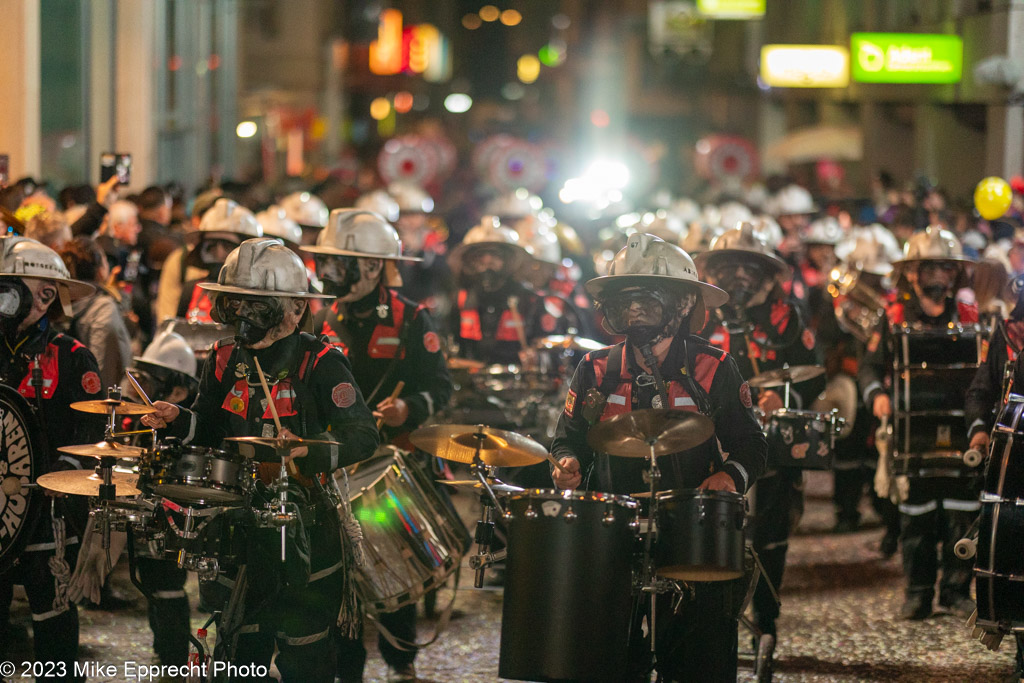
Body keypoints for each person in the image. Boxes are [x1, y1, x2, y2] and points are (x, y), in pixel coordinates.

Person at [142, 237, 379, 682]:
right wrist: (178, 419)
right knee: (238, 656)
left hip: (305, 530)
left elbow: (363, 434)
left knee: (303, 659)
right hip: (239, 530)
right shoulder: (224, 357)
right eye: (238, 305)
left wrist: (310, 450)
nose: (245, 318)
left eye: (259, 306)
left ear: (295, 309)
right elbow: (208, 427)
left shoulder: (322, 361)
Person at [551, 233, 767, 682]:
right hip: (612, 528)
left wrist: (731, 476)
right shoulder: (594, 370)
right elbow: (566, 439)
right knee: (609, 654)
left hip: (692, 528)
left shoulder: (714, 367)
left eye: (646, 299)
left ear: (685, 303)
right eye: (625, 301)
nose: (634, 311)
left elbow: (752, 445)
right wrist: (566, 464)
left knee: (696, 654)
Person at [306, 209, 455, 683]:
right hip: (339, 465)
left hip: (393, 463)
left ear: (372, 266)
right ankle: (345, 668)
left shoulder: (414, 318)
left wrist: (407, 409)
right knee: (342, 573)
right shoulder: (321, 316)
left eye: (338, 263)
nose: (326, 273)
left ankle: (401, 661)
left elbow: (442, 388)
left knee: (395, 567)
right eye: (325, 262)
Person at [694, 222, 825, 659]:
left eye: (749, 266)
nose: (738, 275)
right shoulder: (696, 312)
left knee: (769, 534)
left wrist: (782, 395)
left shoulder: (787, 315)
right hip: (706, 441)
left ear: (765, 272)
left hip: (768, 443)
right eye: (729, 265)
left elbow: (812, 373)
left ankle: (765, 621)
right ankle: (708, 616)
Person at [859, 225, 979, 620]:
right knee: (916, 518)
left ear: (955, 274)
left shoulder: (971, 316)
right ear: (911, 273)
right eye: (929, 268)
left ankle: (956, 590)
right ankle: (918, 592)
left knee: (962, 515)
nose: (937, 276)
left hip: (962, 434)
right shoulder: (891, 317)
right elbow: (870, 368)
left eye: (945, 267)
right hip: (913, 436)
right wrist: (877, 395)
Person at [0, 236, 104, 680]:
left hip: (46, 511)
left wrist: (68, 475)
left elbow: (93, 432)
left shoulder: (73, 358)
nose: (36, 302)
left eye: (46, 293)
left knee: (53, 614)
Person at [60, 236, 132, 391]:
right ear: (100, 271)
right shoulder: (103, 309)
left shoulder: (60, 304)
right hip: (99, 403)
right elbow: (103, 372)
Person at [176, 198, 263, 323]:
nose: (218, 253)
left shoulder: (258, 295)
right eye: (211, 246)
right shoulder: (191, 289)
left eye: (227, 247)